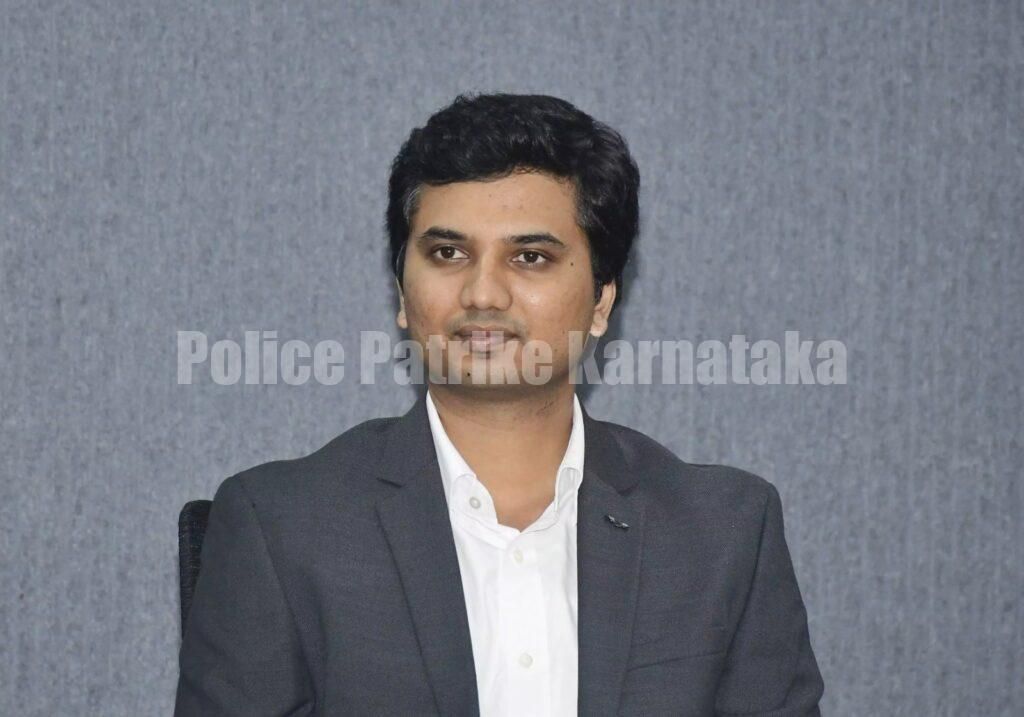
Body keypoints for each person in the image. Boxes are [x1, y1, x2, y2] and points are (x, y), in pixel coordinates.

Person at [174, 93, 824, 716]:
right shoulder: (282, 527)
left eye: (530, 257)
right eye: (448, 253)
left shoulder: (723, 535)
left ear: (602, 300)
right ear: (402, 290)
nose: (483, 293)